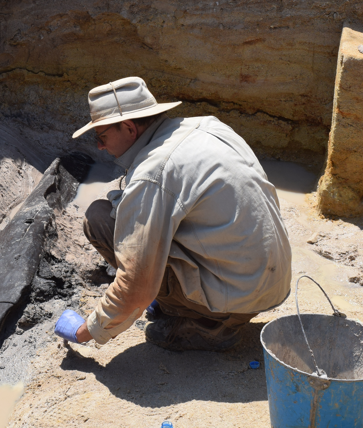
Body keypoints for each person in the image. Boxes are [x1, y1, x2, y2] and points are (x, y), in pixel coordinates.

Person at [55, 77, 292, 351]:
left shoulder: (154, 173)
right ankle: (190, 305)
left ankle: (209, 325)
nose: (99, 146)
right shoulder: (207, 125)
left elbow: (135, 284)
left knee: (99, 219)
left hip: (238, 297)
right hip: (270, 281)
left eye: (102, 136)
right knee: (125, 219)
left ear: (129, 127)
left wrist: (86, 331)